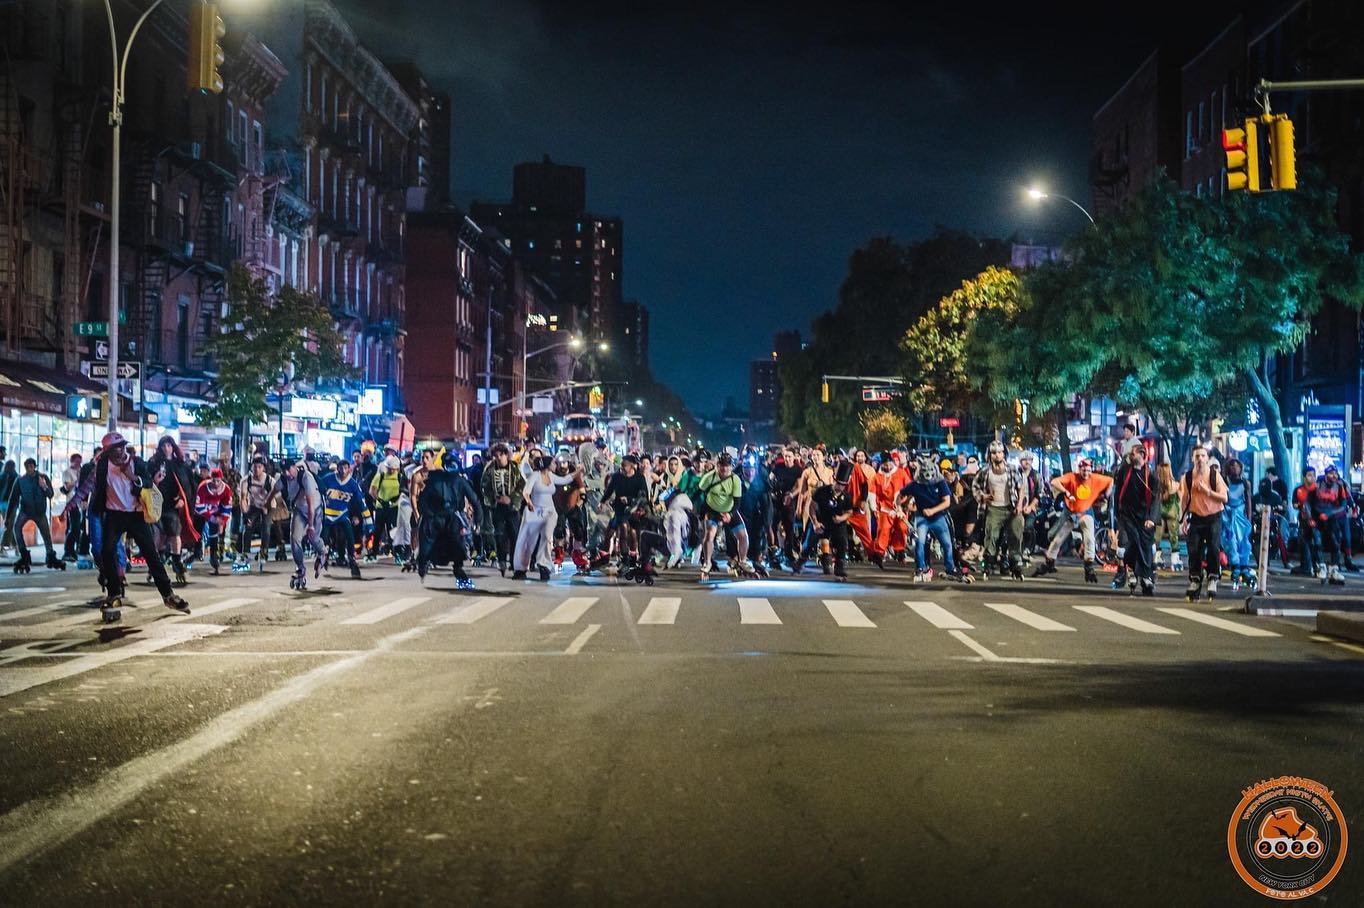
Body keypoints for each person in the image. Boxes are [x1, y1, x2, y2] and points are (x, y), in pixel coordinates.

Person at [91, 432, 190, 622]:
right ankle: (114, 594)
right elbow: (97, 488)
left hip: (135, 514)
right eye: (115, 449)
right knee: (107, 550)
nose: (120, 452)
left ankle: (168, 594)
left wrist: (133, 477)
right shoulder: (103, 465)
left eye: (121, 447)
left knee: (151, 555)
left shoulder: (136, 462)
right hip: (114, 514)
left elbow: (149, 482)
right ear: (108, 452)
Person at [1035, 458, 1112, 583]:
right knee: (1057, 538)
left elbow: (1110, 481)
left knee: (1089, 538)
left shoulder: (1096, 478)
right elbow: (1054, 482)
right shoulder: (1072, 477)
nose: (1086, 473)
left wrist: (1106, 495)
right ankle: (1050, 561)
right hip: (1070, 512)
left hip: (1085, 512)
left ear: (1091, 470)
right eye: (1083, 470)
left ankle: (1089, 565)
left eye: (1088, 470)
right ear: (1079, 469)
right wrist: (1066, 492)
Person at [415, 450, 484, 587]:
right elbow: (423, 500)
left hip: (452, 518)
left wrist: (478, 521)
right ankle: (423, 563)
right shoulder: (434, 479)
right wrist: (427, 515)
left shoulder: (460, 481)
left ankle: (457, 569)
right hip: (435, 518)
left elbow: (475, 501)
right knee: (427, 545)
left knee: (457, 546)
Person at [513, 451, 579, 581]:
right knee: (527, 540)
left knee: (547, 538)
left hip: (550, 512)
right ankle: (520, 568)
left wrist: (578, 471)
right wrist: (529, 502)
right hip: (535, 512)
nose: (556, 465)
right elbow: (526, 492)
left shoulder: (551, 476)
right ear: (547, 465)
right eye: (553, 463)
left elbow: (565, 480)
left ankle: (544, 565)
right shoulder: (535, 476)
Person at [1179, 445, 1228, 601]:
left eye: (1202, 456)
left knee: (1213, 547)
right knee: (1193, 549)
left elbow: (1224, 497)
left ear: (1207, 459)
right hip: (1196, 517)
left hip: (1213, 517)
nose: (1200, 459)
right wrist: (1184, 519)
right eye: (1197, 456)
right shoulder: (1187, 477)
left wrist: (1208, 491)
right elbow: (1184, 499)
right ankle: (1195, 579)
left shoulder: (1214, 475)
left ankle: (1213, 577)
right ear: (1193, 459)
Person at [970, 440, 1026, 579]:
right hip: (993, 508)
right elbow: (975, 486)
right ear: (989, 455)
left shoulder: (1012, 469)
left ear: (1004, 454)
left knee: (1016, 532)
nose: (997, 455)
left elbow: (1021, 488)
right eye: (994, 453)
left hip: (1011, 507)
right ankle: (989, 562)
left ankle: (1015, 562)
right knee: (991, 535)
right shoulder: (985, 471)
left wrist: (1019, 505)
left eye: (1000, 452)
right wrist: (983, 497)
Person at [147, 435, 198, 586]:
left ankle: (177, 562)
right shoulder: (153, 463)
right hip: (156, 504)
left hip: (172, 505)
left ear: (173, 447)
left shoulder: (180, 464)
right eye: (163, 446)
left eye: (169, 445)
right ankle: (155, 564)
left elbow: (188, 484)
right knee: (159, 536)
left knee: (175, 533)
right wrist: (154, 481)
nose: (166, 448)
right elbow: (145, 481)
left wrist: (183, 499)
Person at [902, 455, 962, 582]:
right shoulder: (916, 484)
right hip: (922, 518)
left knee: (947, 543)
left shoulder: (940, 482)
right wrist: (898, 506)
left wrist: (933, 510)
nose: (927, 474)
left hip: (938, 516)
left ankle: (950, 568)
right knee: (920, 542)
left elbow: (947, 502)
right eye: (925, 471)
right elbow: (902, 494)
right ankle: (920, 567)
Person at [1111, 443, 1160, 595]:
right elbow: (1117, 493)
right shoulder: (1124, 472)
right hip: (1127, 515)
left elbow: (1156, 499)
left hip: (1144, 517)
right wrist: (1116, 514)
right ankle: (1132, 571)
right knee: (1130, 541)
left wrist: (1152, 518)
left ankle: (1144, 574)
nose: (1130, 457)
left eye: (1133, 454)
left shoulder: (1151, 475)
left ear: (1142, 455)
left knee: (1145, 545)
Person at [697, 452, 753, 580]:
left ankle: (743, 560)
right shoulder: (709, 477)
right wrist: (702, 511)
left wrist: (730, 514)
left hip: (729, 510)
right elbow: (700, 493)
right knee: (709, 535)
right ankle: (707, 562)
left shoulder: (735, 479)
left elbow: (737, 501)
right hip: (712, 509)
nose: (724, 468)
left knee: (743, 536)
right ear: (717, 465)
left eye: (727, 466)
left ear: (732, 467)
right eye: (722, 465)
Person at [275, 457, 325, 590]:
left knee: (313, 538)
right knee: (295, 538)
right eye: (283, 470)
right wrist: (267, 503)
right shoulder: (283, 479)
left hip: (315, 510)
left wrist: (311, 526)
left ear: (294, 467)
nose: (286, 473)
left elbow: (311, 504)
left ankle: (322, 552)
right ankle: (300, 568)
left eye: (288, 469)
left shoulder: (306, 477)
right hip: (299, 510)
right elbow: (274, 491)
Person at [320, 459, 371, 579]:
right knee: (324, 538)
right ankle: (323, 556)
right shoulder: (328, 479)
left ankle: (352, 561)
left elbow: (361, 503)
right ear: (337, 469)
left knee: (350, 537)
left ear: (349, 470)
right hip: (327, 515)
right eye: (341, 468)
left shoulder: (353, 484)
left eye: (345, 468)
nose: (343, 471)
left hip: (342, 515)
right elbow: (316, 489)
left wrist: (369, 523)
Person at [480, 444, 524, 577]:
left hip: (512, 508)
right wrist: (494, 499)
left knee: (514, 535)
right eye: (496, 455)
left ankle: (515, 563)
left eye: (501, 455)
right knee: (499, 535)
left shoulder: (515, 468)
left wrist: (512, 499)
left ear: (506, 455)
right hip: (497, 508)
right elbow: (484, 486)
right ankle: (502, 561)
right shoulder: (490, 469)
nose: (499, 458)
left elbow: (522, 485)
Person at [10, 458, 59, 571]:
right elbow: (13, 498)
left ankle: (50, 554)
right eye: (27, 467)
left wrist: (44, 486)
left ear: (34, 467)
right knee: (17, 528)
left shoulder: (42, 478)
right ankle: (24, 553)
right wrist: (8, 517)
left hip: (39, 511)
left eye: (31, 467)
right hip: (25, 510)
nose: (29, 469)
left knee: (46, 534)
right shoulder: (21, 480)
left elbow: (50, 494)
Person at [1310, 465, 1352, 586]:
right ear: (1326, 474)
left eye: (1335, 473)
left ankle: (1334, 569)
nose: (1334, 476)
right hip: (1317, 517)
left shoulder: (1339, 486)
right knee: (1317, 542)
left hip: (1332, 517)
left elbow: (1344, 505)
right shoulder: (1317, 484)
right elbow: (1308, 502)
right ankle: (1321, 566)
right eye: (1331, 473)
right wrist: (1310, 517)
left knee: (1336, 543)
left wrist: (1329, 513)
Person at [1220, 459, 1255, 590]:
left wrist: (1249, 519)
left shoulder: (1246, 483)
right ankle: (1235, 566)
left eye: (1237, 466)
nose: (1234, 468)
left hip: (1240, 516)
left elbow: (1248, 501)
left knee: (1244, 542)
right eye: (1232, 466)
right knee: (1231, 541)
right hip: (1227, 515)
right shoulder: (1224, 481)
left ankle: (1244, 566)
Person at [235, 459, 275, 572]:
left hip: (268, 504)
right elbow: (243, 498)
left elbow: (274, 495)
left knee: (266, 527)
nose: (256, 469)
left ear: (263, 468)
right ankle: (246, 552)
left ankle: (264, 551)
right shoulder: (246, 480)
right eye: (254, 467)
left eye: (259, 467)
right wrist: (245, 514)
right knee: (248, 526)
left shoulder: (269, 481)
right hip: (254, 505)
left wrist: (266, 507)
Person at [871, 452, 910, 563]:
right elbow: (872, 493)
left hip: (900, 508)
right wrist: (874, 507)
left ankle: (899, 550)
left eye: (889, 464)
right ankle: (879, 553)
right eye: (885, 465)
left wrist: (906, 504)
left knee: (902, 528)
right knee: (883, 530)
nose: (888, 467)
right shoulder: (877, 477)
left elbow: (909, 488)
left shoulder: (901, 473)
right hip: (885, 508)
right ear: (881, 464)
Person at [195, 468, 234, 574]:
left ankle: (213, 555)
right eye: (214, 480)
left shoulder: (226, 489)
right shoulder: (203, 487)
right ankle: (196, 549)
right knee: (197, 530)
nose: (216, 483)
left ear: (221, 479)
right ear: (210, 479)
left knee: (214, 533)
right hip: (202, 512)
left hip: (216, 512)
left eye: (218, 481)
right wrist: (211, 517)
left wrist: (222, 522)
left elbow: (227, 507)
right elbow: (198, 506)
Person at [368, 455, 403, 560]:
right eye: (389, 468)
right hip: (381, 507)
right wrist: (380, 500)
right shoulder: (380, 476)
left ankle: (396, 551)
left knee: (394, 530)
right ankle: (374, 551)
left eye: (393, 469)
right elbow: (372, 490)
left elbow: (403, 490)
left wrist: (395, 499)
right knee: (378, 530)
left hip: (394, 508)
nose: (391, 470)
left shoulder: (400, 477)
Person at [1153, 462, 1183, 573]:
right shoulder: (1176, 485)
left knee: (1157, 536)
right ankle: (1175, 559)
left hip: (1159, 512)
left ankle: (1157, 558)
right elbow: (1180, 499)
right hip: (1172, 512)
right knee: (1173, 535)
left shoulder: (1156, 486)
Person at [60, 453, 84, 562]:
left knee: (79, 528)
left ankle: (76, 550)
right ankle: (68, 550)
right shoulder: (67, 472)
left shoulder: (81, 471)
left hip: (81, 502)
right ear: (72, 461)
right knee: (74, 528)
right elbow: (67, 487)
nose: (79, 464)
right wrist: (77, 480)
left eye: (80, 461)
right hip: (72, 502)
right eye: (77, 461)